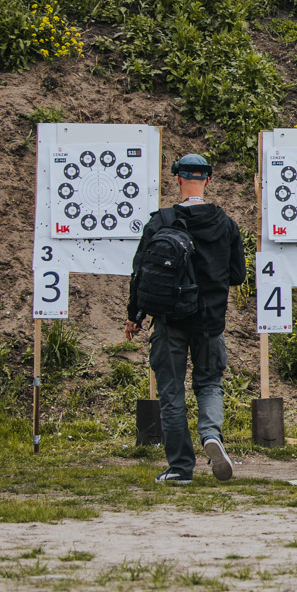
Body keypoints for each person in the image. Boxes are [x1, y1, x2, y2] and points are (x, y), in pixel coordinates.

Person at [123, 152, 247, 486]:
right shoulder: (225, 224)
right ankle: (211, 435)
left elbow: (141, 274)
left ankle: (180, 468)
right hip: (210, 323)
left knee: (171, 393)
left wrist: (135, 316)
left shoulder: (160, 222)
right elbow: (237, 274)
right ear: (208, 180)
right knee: (209, 384)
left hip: (169, 321)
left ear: (177, 179)